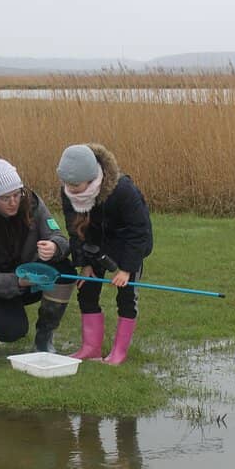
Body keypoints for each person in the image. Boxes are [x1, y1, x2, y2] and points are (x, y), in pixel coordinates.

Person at [0, 152, 72, 354]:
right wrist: (19, 281)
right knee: (13, 330)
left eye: (16, 194)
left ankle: (44, 337)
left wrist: (54, 247)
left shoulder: (34, 205)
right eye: (5, 198)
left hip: (28, 275)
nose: (13, 202)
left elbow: (59, 237)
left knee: (64, 268)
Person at [57, 144, 153, 365]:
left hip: (127, 245)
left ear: (91, 178)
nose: (70, 189)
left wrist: (126, 269)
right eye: (67, 184)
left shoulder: (123, 190)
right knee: (86, 290)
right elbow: (75, 229)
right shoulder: (68, 191)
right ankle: (91, 348)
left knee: (126, 297)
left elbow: (140, 232)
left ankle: (118, 352)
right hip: (94, 244)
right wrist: (85, 263)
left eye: (76, 185)